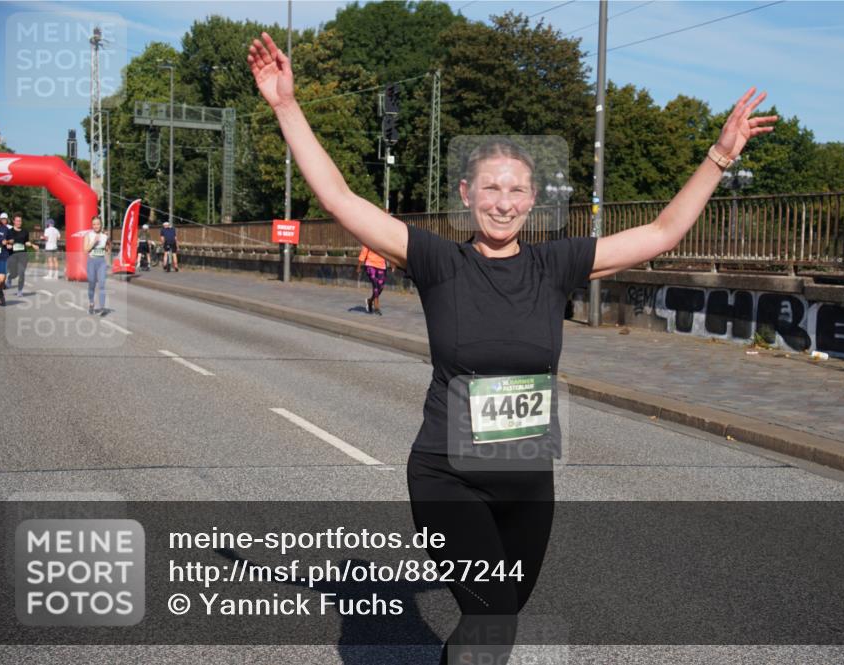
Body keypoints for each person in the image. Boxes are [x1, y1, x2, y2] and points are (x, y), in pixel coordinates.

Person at [249, 32, 776, 664]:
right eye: (490, 189)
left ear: (534, 200)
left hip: (527, 476)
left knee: (494, 626)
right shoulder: (439, 261)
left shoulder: (556, 264)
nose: (504, 203)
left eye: (517, 191)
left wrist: (719, 155)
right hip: (447, 473)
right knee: (493, 611)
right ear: (467, 196)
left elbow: (662, 233)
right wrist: (286, 107)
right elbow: (339, 197)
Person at [83, 216, 111, 316]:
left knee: (102, 284)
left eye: (98, 224)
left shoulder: (105, 236)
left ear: (101, 224)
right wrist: (94, 241)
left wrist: (108, 261)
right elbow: (85, 250)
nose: (96, 226)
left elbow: (108, 248)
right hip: (91, 262)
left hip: (101, 262)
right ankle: (91, 304)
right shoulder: (88, 235)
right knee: (92, 284)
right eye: (94, 224)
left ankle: (102, 307)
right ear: (92, 225)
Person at [6, 215, 37, 297]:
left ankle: (20, 291)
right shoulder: (9, 231)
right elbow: (5, 242)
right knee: (14, 274)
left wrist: (32, 245)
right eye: (17, 221)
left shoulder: (25, 231)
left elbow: (26, 242)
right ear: (14, 221)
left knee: (21, 273)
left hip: (23, 254)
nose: (19, 222)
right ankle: (9, 278)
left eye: (20, 221)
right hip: (12, 255)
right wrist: (7, 245)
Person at [356, 245, 388, 315]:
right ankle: (376, 307)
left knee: (380, 287)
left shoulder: (384, 239)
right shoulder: (369, 238)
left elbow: (388, 252)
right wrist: (359, 266)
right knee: (375, 284)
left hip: (382, 266)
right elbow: (364, 252)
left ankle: (370, 301)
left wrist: (393, 263)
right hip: (370, 265)